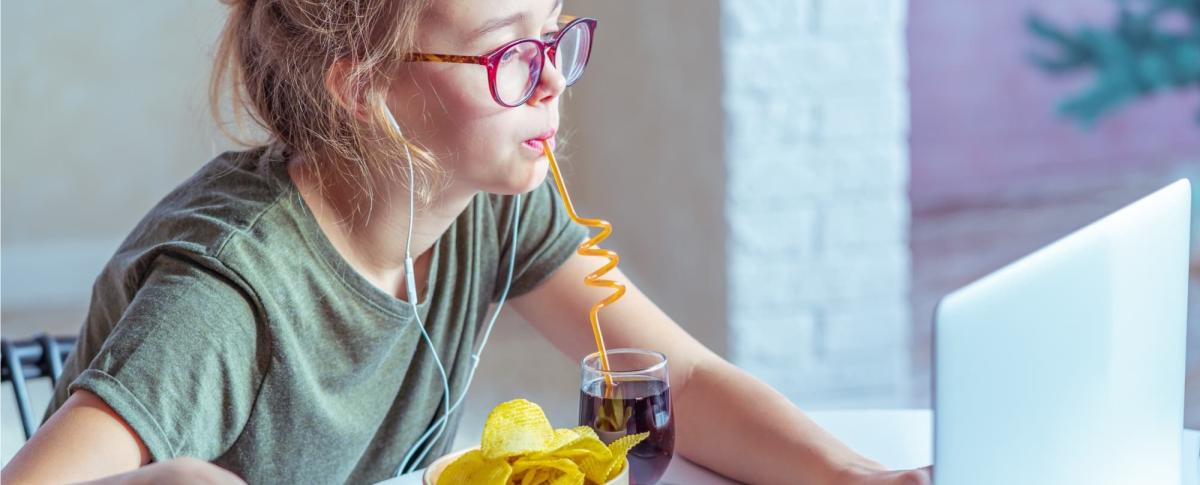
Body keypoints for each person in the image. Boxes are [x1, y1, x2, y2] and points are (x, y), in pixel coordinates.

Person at [1, 1, 930, 483]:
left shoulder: (483, 198)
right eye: (507, 56)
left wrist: (849, 474)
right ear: (363, 87)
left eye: (555, 38)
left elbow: (672, 380)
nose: (551, 86)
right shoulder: (226, 294)